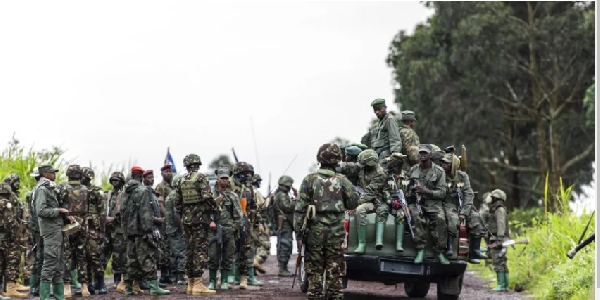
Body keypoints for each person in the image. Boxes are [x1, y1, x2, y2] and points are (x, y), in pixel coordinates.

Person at [295, 143, 359, 300]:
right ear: (337, 160)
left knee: (314, 274)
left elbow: (299, 210)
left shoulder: (309, 181)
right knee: (335, 273)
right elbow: (353, 203)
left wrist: (298, 235)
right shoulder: (343, 181)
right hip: (336, 233)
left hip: (313, 234)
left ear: (319, 158)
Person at [120, 166, 169, 296]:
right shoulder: (143, 191)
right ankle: (154, 287)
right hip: (141, 230)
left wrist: (125, 230)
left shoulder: (125, 191)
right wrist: (148, 231)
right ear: (141, 176)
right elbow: (145, 212)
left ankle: (128, 288)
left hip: (130, 231)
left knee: (131, 260)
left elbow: (122, 212)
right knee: (147, 257)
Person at [174, 155, 217, 295]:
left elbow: (177, 203)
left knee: (189, 250)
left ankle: (191, 284)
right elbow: (207, 197)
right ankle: (198, 284)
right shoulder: (200, 178)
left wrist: (185, 214)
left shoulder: (181, 180)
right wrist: (215, 209)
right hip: (200, 219)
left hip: (186, 219)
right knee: (200, 250)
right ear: (198, 164)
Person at [440, 153, 488, 263]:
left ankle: (475, 250)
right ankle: (450, 247)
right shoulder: (439, 175)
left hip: (461, 204)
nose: (443, 164)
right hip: (447, 203)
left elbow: (468, 194)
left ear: (453, 165)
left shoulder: (462, 176)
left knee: (476, 218)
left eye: (447, 163)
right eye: (442, 162)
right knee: (453, 219)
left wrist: (465, 212)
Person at [406, 145, 449, 264]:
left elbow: (442, 193)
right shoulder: (413, 170)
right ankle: (420, 250)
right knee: (414, 216)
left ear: (430, 155)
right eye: (421, 153)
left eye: (425, 153)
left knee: (440, 219)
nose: (422, 155)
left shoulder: (439, 171)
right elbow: (406, 187)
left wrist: (426, 191)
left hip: (433, 202)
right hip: (416, 202)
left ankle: (439, 251)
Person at [338, 149, 387, 253]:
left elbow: (370, 192)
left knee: (360, 210)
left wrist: (354, 205)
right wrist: (334, 166)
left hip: (374, 201)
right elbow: (349, 167)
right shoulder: (362, 167)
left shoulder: (380, 174)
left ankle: (362, 243)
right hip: (361, 195)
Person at [57, 165, 92, 297]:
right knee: (81, 254)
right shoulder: (85, 189)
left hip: (67, 223)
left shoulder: (62, 187)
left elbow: (58, 204)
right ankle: (84, 286)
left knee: (66, 255)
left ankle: (67, 287)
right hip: (82, 224)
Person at [34, 165, 67, 300]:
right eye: (52, 172)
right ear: (45, 174)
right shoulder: (42, 189)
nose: (54, 174)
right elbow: (40, 211)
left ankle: (60, 297)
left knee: (59, 264)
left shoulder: (51, 188)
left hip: (56, 229)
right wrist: (58, 211)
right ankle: (44, 297)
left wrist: (65, 216)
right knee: (50, 263)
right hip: (50, 230)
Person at [229, 162, 263, 288]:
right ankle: (232, 276)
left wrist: (257, 222)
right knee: (231, 250)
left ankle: (249, 277)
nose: (248, 176)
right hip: (231, 222)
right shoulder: (229, 185)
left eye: (249, 174)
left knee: (247, 249)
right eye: (245, 173)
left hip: (246, 222)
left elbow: (253, 206)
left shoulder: (249, 188)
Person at [208, 167, 242, 290]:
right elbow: (205, 212)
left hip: (228, 230)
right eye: (222, 178)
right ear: (217, 179)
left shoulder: (232, 196)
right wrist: (210, 222)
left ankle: (224, 281)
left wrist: (234, 228)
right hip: (213, 230)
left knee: (228, 256)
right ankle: (212, 281)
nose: (224, 180)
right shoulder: (210, 195)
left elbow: (239, 215)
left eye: (226, 178)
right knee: (213, 256)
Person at [80, 167, 107, 295]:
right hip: (80, 226)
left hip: (92, 227)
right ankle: (88, 284)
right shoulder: (77, 190)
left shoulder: (95, 191)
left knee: (94, 255)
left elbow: (102, 211)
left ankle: (100, 282)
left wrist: (102, 230)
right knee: (82, 257)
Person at [2, 174, 29, 298]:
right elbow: (9, 220)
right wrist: (16, 233)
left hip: (8, 233)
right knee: (12, 259)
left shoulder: (12, 196)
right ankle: (10, 287)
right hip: (8, 234)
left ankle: (10, 285)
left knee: (10, 260)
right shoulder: (6, 199)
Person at [385, 152, 411, 252]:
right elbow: (383, 189)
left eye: (390, 161)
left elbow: (410, 192)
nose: (387, 163)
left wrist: (405, 203)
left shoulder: (407, 177)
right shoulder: (386, 175)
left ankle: (399, 244)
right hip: (387, 202)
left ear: (395, 163)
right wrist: (390, 200)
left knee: (401, 214)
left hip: (401, 204)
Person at [164, 174, 187, 286]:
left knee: (173, 253)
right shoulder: (177, 196)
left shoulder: (169, 196)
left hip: (170, 228)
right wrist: (182, 228)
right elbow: (176, 214)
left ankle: (173, 276)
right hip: (176, 228)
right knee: (181, 253)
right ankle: (181, 277)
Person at [154, 165, 175, 285]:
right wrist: (166, 218)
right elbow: (160, 204)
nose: (168, 173)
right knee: (164, 247)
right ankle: (164, 275)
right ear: (162, 173)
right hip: (165, 221)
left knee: (171, 247)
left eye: (170, 171)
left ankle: (171, 273)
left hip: (173, 221)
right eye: (166, 171)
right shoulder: (161, 187)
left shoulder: (172, 186)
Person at [368, 98, 403, 168]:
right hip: (378, 156)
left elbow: (395, 139)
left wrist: (394, 157)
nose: (377, 112)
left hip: (385, 157)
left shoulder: (390, 120)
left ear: (385, 108)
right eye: (375, 110)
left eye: (379, 109)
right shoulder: (380, 122)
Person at [486, 189, 509, 292]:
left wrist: (499, 239)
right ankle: (504, 286)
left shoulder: (499, 209)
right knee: (502, 261)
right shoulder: (498, 209)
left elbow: (501, 224)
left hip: (498, 238)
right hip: (500, 238)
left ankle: (501, 285)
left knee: (498, 261)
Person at [273, 175, 296, 277]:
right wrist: (297, 200)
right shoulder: (282, 195)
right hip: (284, 225)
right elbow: (287, 207)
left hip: (286, 225)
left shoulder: (282, 194)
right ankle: (282, 269)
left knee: (286, 245)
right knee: (285, 246)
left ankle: (284, 268)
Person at [0, 182, 19, 300]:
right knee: (11, 261)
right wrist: (14, 236)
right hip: (5, 237)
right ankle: (10, 289)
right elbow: (10, 223)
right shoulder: (6, 204)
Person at [27, 167, 43, 297]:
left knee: (38, 256)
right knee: (40, 257)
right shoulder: (38, 191)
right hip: (40, 228)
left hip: (36, 228)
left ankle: (34, 287)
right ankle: (35, 287)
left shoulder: (32, 192)